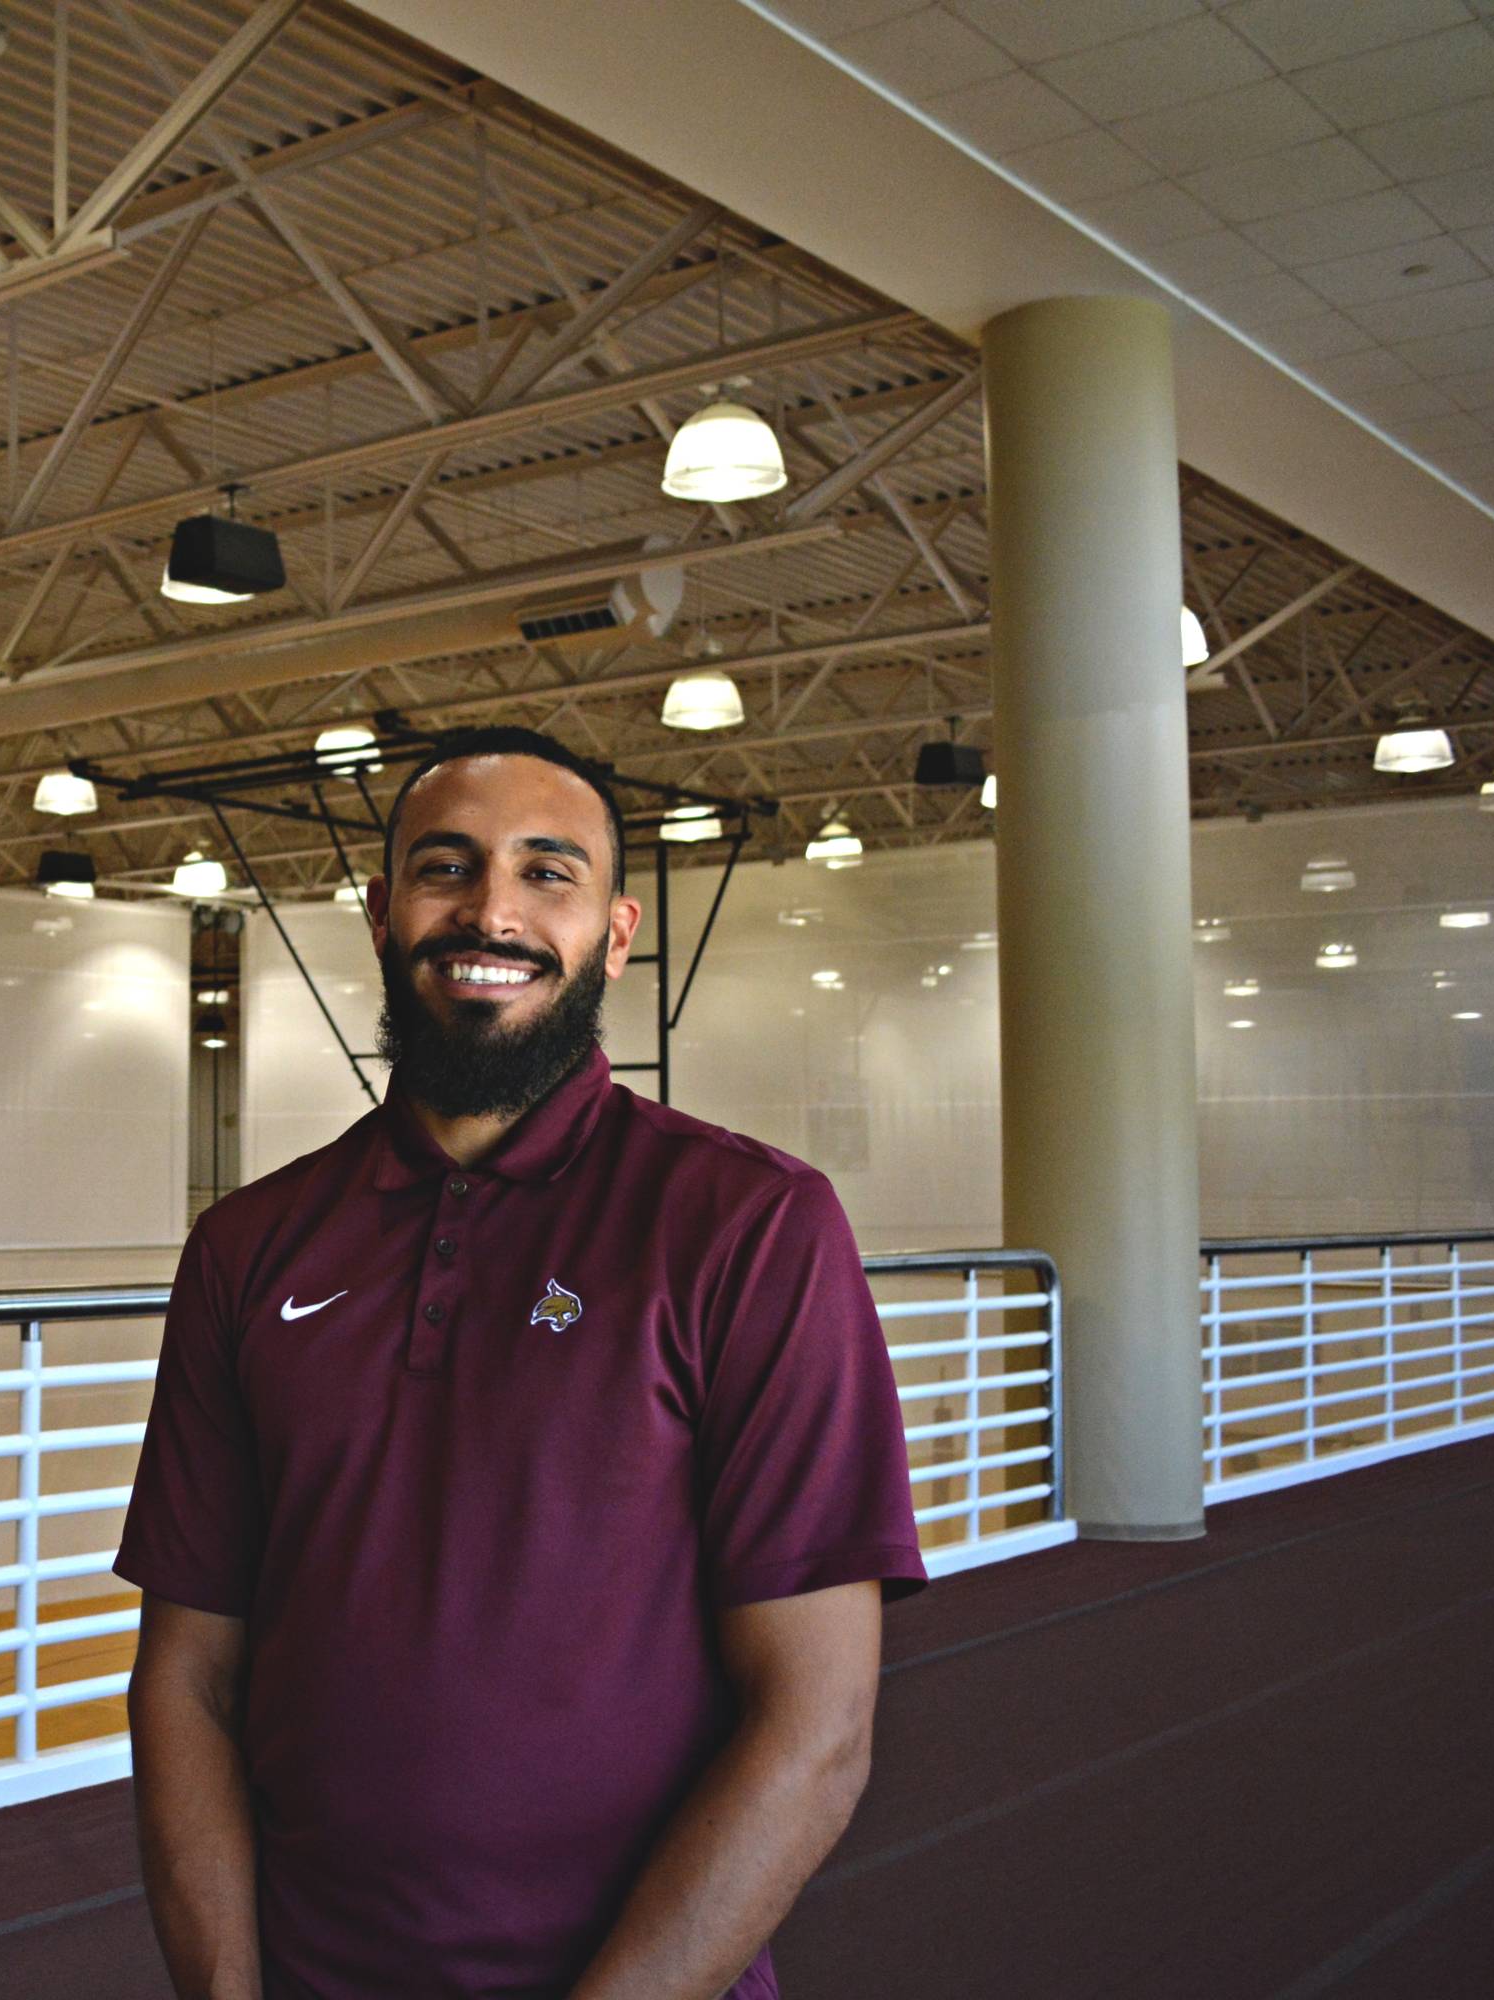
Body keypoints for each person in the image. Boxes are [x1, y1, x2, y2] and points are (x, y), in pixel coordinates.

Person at [117, 727, 924, 1999]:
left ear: (615, 930)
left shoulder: (750, 1223)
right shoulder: (248, 1244)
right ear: (382, 915)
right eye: (446, 867)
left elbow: (816, 1727)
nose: (490, 908)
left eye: (548, 871)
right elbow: (189, 1677)